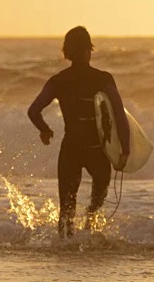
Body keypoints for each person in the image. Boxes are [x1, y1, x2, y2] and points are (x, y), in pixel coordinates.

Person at [27, 26, 130, 238]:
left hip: (71, 149)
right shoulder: (103, 79)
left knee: (66, 208)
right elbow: (119, 114)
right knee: (97, 202)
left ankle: (65, 245)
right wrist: (125, 149)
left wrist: (45, 130)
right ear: (87, 51)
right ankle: (89, 232)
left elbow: (33, 111)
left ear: (68, 53)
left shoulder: (58, 81)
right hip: (97, 151)